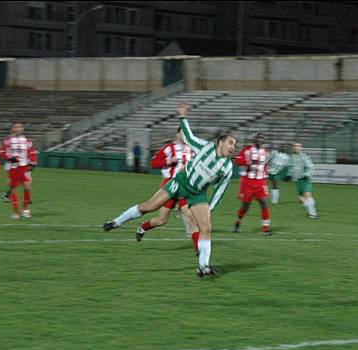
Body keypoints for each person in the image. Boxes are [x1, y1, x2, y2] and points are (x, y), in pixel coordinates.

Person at [103, 102, 236, 278]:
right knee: (149, 207)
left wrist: (209, 208)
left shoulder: (228, 167)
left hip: (197, 194)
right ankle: (116, 222)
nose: (233, 147)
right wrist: (182, 116)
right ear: (220, 143)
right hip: (180, 182)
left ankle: (203, 267)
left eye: (234, 145)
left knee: (206, 226)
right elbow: (188, 136)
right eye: (230, 143)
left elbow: (221, 190)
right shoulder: (205, 147)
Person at [136, 127, 200, 254]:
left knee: (191, 218)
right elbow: (153, 163)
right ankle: (143, 227)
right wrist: (168, 161)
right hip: (170, 188)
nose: (184, 136)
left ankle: (198, 249)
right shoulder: (168, 148)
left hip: (185, 189)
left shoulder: (193, 151)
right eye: (182, 133)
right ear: (177, 134)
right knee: (162, 220)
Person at [233, 133, 272, 235]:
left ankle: (265, 228)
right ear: (254, 140)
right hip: (248, 182)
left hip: (260, 182)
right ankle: (238, 221)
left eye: (262, 138)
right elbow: (237, 160)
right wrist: (247, 162)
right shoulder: (247, 150)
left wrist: (265, 179)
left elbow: (265, 166)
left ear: (263, 141)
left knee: (264, 203)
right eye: (258, 138)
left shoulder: (266, 152)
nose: (260, 140)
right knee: (245, 207)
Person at [1, 122, 38, 219]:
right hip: (12, 167)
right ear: (13, 129)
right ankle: (16, 212)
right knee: (13, 189)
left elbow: (32, 152)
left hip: (24, 166)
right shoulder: (7, 140)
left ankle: (25, 210)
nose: (19, 128)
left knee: (27, 186)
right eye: (17, 127)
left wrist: (32, 162)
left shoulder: (27, 140)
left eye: (21, 126)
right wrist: (9, 158)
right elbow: (3, 152)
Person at [287, 142, 318, 219]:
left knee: (306, 196)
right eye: (295, 146)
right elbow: (291, 168)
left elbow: (310, 167)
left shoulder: (304, 157)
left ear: (301, 148)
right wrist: (288, 175)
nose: (296, 147)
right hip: (298, 181)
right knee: (300, 199)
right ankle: (310, 211)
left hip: (305, 179)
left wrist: (306, 175)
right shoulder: (291, 157)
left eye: (298, 146)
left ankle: (313, 214)